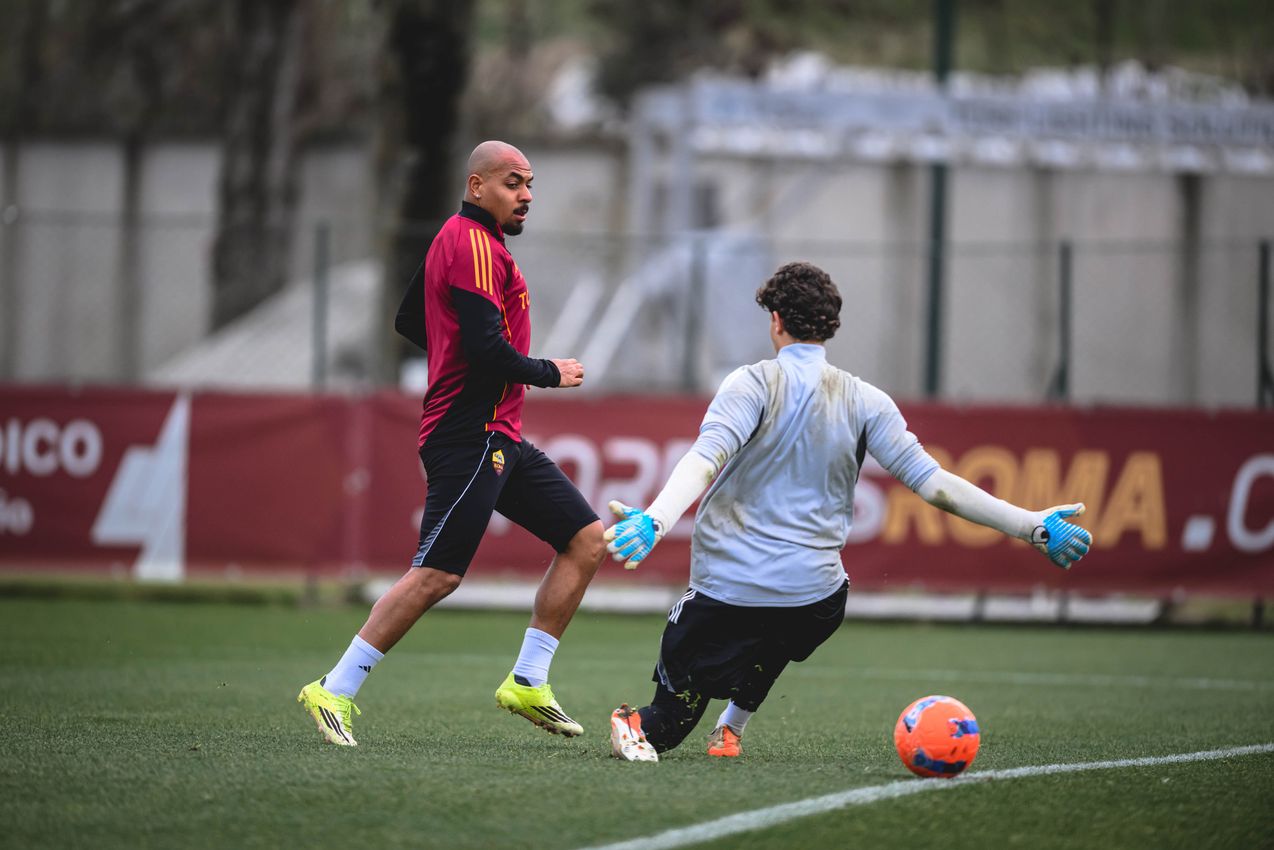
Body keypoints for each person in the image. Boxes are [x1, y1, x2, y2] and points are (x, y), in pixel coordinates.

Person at [603, 261, 1093, 763]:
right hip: (816, 602)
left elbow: (704, 460)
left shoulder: (751, 384)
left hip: (728, 595)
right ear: (830, 325)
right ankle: (731, 727)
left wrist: (656, 520)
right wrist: (1032, 525)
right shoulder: (867, 399)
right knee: (779, 634)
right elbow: (938, 488)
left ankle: (635, 723)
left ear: (776, 320)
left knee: (664, 724)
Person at [298, 141, 606, 746]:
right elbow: (487, 350)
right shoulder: (472, 244)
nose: (527, 196)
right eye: (514, 183)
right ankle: (334, 688)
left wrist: (453, 358)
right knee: (437, 574)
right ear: (476, 185)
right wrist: (551, 371)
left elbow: (411, 322)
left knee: (586, 540)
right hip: (469, 434)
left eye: (530, 184)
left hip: (498, 434)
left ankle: (528, 680)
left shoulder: (460, 241)